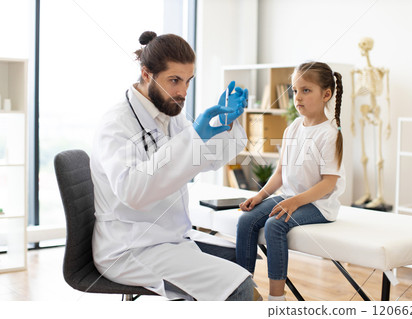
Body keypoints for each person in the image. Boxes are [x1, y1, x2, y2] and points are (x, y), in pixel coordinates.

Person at [90, 31, 255, 301]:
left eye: (188, 81)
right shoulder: (116, 125)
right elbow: (133, 192)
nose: (183, 92)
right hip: (131, 246)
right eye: (174, 80)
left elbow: (206, 160)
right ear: (146, 74)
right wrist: (194, 138)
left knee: (242, 263)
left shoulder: (169, 114)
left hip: (168, 238)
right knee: (239, 288)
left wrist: (224, 126)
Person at [236, 61, 345, 301]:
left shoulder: (330, 133)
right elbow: (280, 173)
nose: (298, 97)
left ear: (326, 94)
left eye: (306, 90)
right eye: (294, 91)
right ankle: (243, 291)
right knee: (246, 220)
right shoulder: (293, 127)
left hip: (319, 205)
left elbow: (328, 184)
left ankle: (277, 300)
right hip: (291, 197)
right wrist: (259, 196)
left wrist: (295, 202)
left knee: (275, 224)